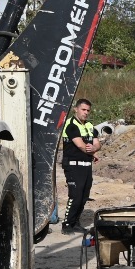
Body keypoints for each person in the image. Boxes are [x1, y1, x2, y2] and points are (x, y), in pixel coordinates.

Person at [61, 98, 101, 233]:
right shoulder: (71, 125)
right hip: (73, 165)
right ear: (76, 109)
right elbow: (80, 145)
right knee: (75, 195)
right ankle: (66, 224)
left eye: (88, 111)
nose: (86, 113)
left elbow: (97, 143)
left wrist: (94, 148)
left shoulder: (90, 125)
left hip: (86, 166)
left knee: (84, 196)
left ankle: (75, 222)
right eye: (83, 110)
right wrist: (91, 150)